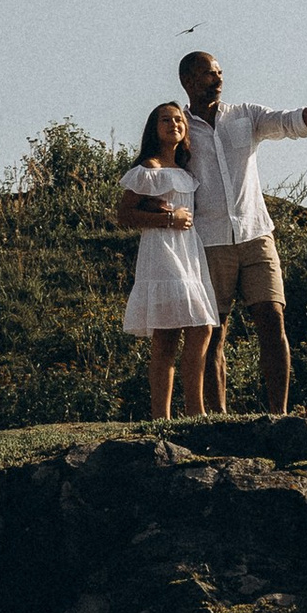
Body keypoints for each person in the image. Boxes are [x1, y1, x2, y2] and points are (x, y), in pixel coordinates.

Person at [132, 49, 307, 417]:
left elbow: (293, 122)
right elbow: (156, 174)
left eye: (220, 72)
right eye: (210, 74)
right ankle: (219, 416)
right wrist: (162, 214)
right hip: (208, 242)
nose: (219, 79)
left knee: (273, 318)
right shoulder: (179, 127)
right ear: (189, 81)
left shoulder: (245, 116)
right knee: (214, 331)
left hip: (256, 234)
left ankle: (280, 415)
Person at [115, 100, 216, 419]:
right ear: (154, 129)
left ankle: (193, 409)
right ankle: (164, 416)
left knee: (200, 328)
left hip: (188, 252)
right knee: (169, 333)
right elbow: (124, 215)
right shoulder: (147, 171)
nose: (174, 124)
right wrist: (168, 220)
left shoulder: (186, 173)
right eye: (165, 120)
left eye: (178, 120)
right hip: (162, 252)